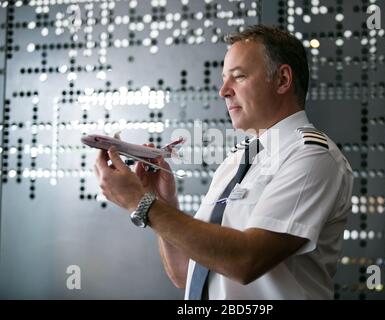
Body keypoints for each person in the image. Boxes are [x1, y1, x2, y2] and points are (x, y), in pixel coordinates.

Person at [94, 25, 353, 299]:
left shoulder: (311, 157)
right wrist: (159, 201)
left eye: (238, 77)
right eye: (224, 79)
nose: (223, 91)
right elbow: (184, 273)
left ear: (282, 80)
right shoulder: (238, 159)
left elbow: (245, 261)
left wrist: (141, 204)